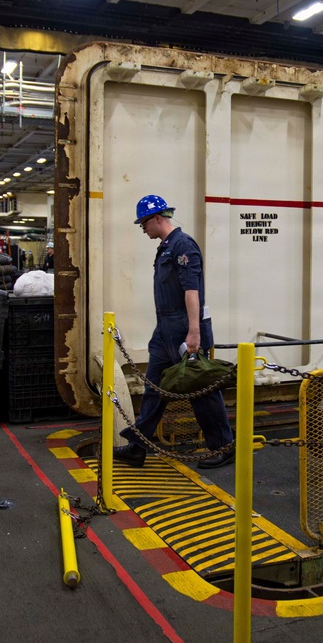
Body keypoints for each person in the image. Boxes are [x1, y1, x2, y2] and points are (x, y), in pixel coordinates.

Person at [113, 195, 235, 469]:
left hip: (184, 328)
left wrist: (194, 332)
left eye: (144, 222)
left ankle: (224, 446)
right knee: (154, 389)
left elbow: (192, 291)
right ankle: (137, 446)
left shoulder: (183, 245)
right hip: (165, 330)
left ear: (157, 218)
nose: (142, 228)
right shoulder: (166, 248)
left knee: (200, 389)